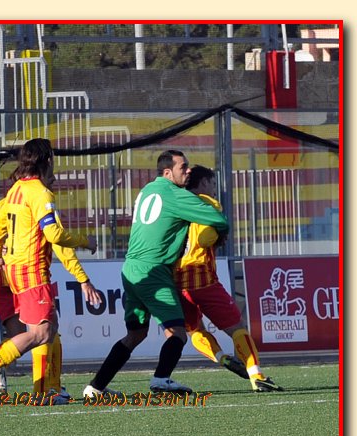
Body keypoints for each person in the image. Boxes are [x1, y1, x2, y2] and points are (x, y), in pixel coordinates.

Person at [83, 150, 229, 398]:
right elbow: (218, 219)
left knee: (136, 334)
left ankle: (95, 387)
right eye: (183, 167)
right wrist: (220, 231)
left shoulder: (148, 190)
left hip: (131, 268)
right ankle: (161, 380)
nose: (188, 170)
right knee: (178, 332)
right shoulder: (176, 194)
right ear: (167, 172)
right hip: (154, 271)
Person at [0, 138, 99, 405]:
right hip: (31, 271)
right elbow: (55, 235)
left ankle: (48, 390)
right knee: (40, 333)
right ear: (47, 160)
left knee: (48, 329)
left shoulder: (15, 190)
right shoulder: (40, 193)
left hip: (11, 271)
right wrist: (85, 241)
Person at [174, 164, 283, 392]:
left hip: (176, 282)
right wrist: (217, 233)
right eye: (213, 184)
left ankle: (222, 358)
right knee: (237, 328)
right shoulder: (207, 202)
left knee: (195, 331)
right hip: (203, 279)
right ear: (204, 183)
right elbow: (204, 239)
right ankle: (257, 376)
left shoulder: (174, 203)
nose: (214, 189)